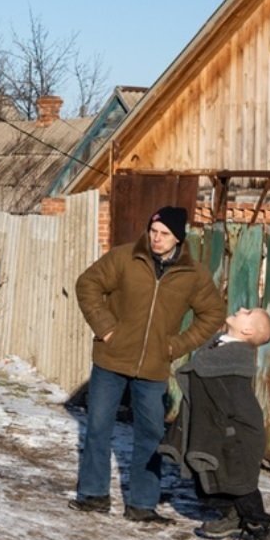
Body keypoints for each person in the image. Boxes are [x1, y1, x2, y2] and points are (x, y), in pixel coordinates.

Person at [71, 206, 226, 522]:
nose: (156, 239)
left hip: (154, 367)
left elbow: (212, 313)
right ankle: (93, 495)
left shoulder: (192, 275)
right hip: (111, 359)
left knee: (151, 436)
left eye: (164, 234)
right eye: (153, 232)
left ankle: (142, 504)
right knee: (98, 428)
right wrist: (106, 328)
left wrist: (177, 345)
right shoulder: (125, 258)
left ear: (178, 238)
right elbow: (87, 284)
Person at [159, 307, 270, 540]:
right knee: (211, 477)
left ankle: (263, 533)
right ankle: (231, 516)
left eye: (249, 312)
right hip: (220, 428)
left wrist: (230, 435)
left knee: (240, 484)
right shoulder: (222, 348)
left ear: (246, 331)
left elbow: (238, 406)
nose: (242, 308)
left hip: (237, 433)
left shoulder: (234, 364)